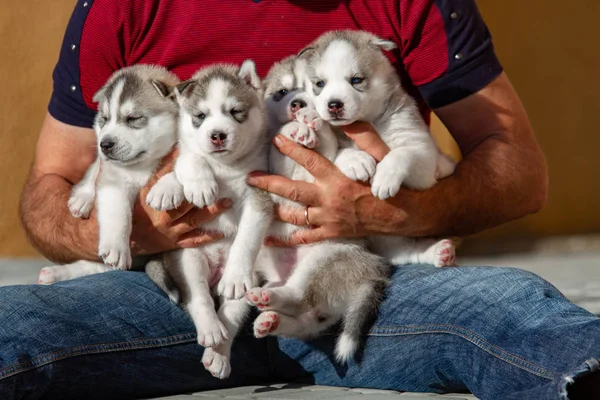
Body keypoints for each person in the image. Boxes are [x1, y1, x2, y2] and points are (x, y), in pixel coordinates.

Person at [3, 0, 598, 399]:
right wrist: (132, 233)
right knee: (15, 323)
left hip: (349, 275)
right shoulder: (122, 8)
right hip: (172, 292)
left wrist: (389, 212)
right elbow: (50, 188)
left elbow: (518, 168)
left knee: (519, 312)